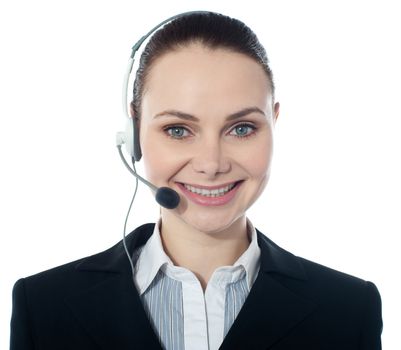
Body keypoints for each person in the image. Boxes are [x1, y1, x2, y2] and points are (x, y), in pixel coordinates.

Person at [10, 11, 382, 350]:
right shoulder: (44, 306)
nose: (211, 163)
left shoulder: (348, 311)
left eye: (241, 128)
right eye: (178, 129)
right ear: (134, 131)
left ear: (275, 123)